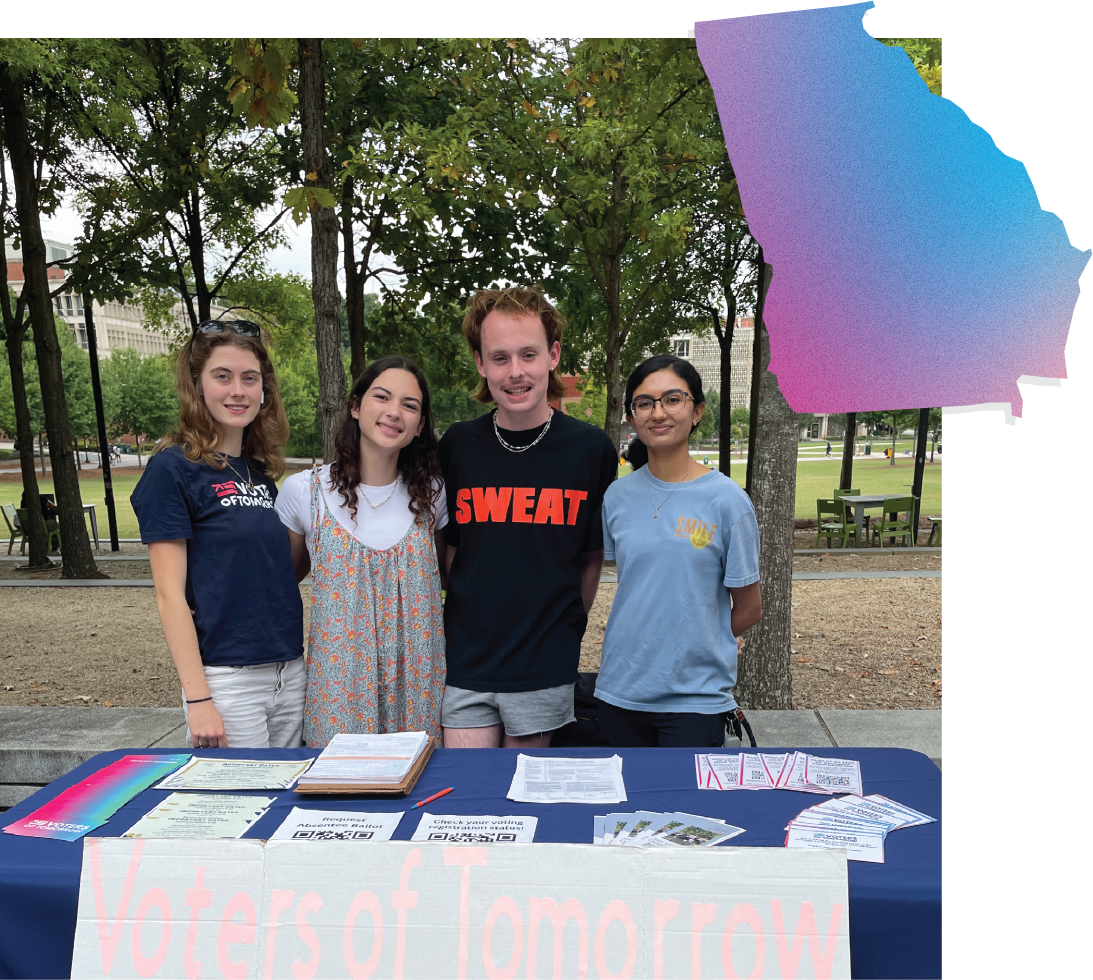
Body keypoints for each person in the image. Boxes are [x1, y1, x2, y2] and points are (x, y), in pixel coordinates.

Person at [439, 285, 617, 748]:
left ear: (553, 355)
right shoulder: (458, 445)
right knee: (470, 797)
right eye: (499, 358)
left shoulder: (589, 449)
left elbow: (591, 556)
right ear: (480, 363)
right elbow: (450, 547)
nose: (515, 372)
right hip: (465, 659)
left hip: (544, 660)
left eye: (528, 355)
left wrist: (567, 627)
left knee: (524, 801)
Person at [132, 319, 304, 750]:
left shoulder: (258, 472)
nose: (238, 390)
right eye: (222, 376)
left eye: (250, 378)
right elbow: (169, 595)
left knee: (286, 804)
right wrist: (199, 697)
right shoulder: (172, 469)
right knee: (243, 807)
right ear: (197, 385)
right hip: (227, 679)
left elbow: (270, 570)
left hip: (290, 671)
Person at [275, 356, 448, 746]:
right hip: (340, 688)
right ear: (356, 406)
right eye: (382, 397)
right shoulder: (307, 492)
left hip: (417, 683)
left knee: (419, 785)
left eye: (410, 405)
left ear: (420, 426)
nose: (394, 412)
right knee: (340, 794)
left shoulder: (433, 495)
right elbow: (280, 582)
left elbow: (446, 573)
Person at [594, 354, 762, 748]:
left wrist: (699, 640)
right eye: (644, 402)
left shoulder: (727, 501)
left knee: (684, 810)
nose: (658, 413)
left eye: (673, 399)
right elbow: (637, 586)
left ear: (697, 410)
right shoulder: (617, 496)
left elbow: (750, 608)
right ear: (632, 416)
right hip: (621, 689)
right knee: (625, 808)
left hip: (694, 699)